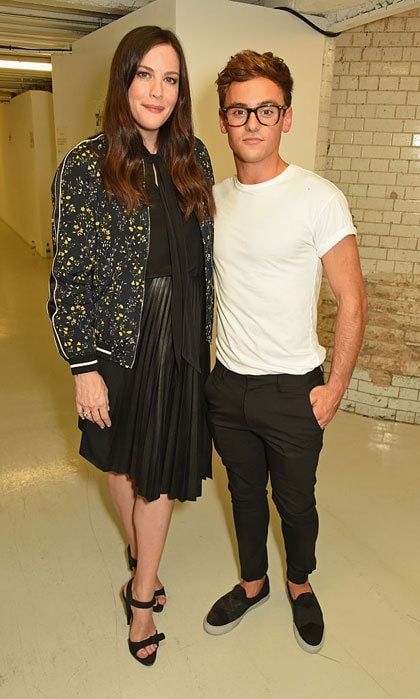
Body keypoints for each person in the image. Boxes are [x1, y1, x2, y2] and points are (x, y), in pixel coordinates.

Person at [47, 26, 214, 666]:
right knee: (121, 464)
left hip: (180, 344)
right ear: (123, 81)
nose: (158, 90)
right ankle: (141, 553)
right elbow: (69, 275)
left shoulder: (192, 155)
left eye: (170, 79)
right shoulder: (87, 167)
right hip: (118, 346)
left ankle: (140, 597)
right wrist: (83, 366)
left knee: (160, 475)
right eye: (145, 74)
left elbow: (204, 257)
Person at [203, 50, 367, 653]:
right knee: (243, 495)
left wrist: (336, 388)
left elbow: (353, 298)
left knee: (295, 502)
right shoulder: (212, 201)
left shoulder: (318, 197)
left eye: (265, 109)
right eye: (238, 111)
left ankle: (299, 584)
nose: (252, 122)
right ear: (222, 120)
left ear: (286, 117)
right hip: (228, 384)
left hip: (295, 387)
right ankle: (253, 584)